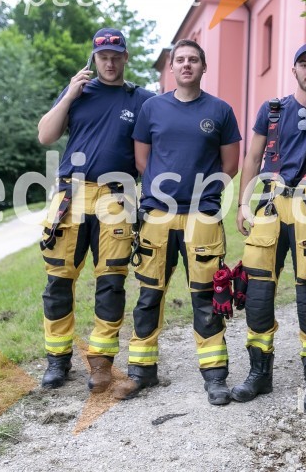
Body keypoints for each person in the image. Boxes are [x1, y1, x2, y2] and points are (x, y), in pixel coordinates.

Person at [112, 39, 241, 405]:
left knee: (207, 296)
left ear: (203, 67)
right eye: (180, 60)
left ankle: (215, 376)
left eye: (193, 60)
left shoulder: (220, 110)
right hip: (158, 215)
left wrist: (204, 194)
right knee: (149, 296)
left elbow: (230, 165)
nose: (186, 65)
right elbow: (142, 161)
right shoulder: (152, 108)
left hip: (203, 216)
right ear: (171, 67)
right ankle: (141, 371)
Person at [36, 28, 155, 393]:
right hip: (72, 196)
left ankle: (101, 362)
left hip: (117, 197)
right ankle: (57, 360)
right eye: (103, 57)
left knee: (111, 282)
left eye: (116, 56)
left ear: (126, 57)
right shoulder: (79, 92)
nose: (110, 63)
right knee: (58, 281)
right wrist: (70, 94)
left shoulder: (143, 100)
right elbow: (45, 135)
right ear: (94, 57)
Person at [230, 43, 306, 415]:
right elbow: (252, 157)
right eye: (304, 64)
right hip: (269, 206)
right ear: (294, 70)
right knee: (258, 291)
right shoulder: (272, 110)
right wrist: (243, 203)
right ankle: (260, 375)